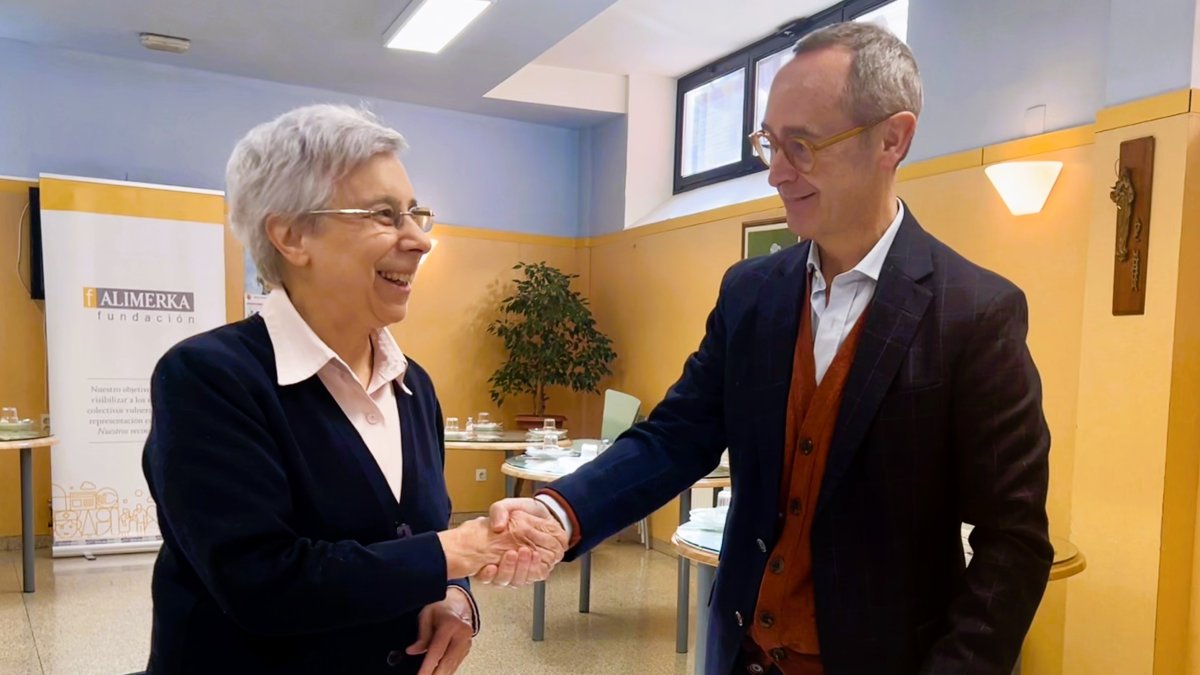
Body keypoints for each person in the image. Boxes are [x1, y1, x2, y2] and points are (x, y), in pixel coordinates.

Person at [489, 22, 1052, 675]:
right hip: (743, 654)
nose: (777, 174)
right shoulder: (751, 293)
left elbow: (1013, 541)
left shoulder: (975, 313)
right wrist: (560, 511)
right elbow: (676, 437)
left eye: (802, 146)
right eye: (769, 144)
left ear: (892, 139)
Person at [142, 104, 564, 675]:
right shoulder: (207, 378)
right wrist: (461, 550)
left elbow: (421, 535)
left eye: (415, 214)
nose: (420, 240)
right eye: (384, 215)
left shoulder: (414, 386)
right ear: (291, 236)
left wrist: (453, 596)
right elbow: (260, 583)